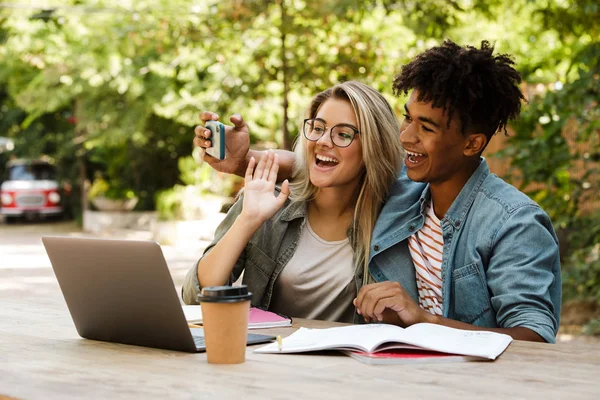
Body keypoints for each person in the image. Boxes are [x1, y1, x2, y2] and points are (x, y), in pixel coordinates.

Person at [192, 40, 562, 343]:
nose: (406, 137)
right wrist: (247, 162)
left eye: (426, 128)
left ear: (472, 144)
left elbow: (534, 339)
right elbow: (337, 163)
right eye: (407, 119)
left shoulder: (512, 222)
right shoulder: (412, 192)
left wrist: (421, 320)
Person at [182, 81, 404, 323]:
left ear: (373, 147)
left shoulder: (394, 217)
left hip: (344, 360)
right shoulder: (268, 200)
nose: (323, 141)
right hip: (269, 354)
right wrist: (248, 220)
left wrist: (251, 160)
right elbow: (195, 295)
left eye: (343, 134)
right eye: (318, 128)